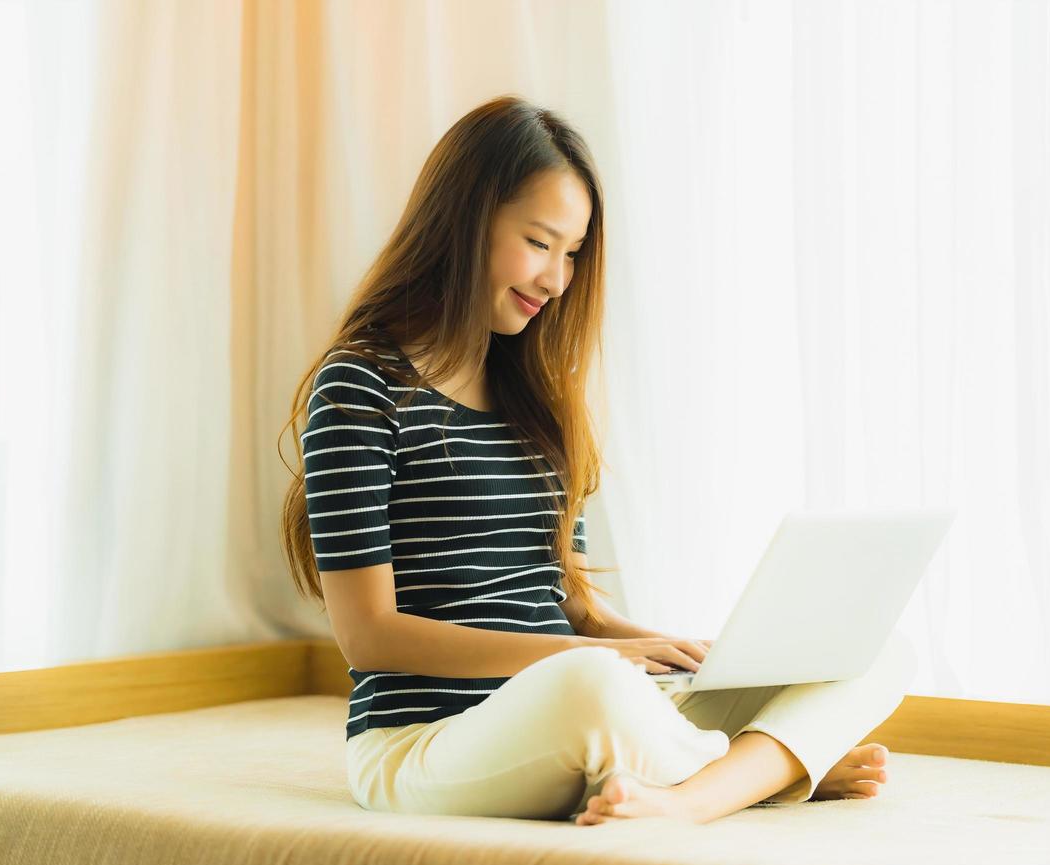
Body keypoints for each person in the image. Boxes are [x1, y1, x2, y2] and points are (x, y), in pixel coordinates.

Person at [278, 94, 915, 825]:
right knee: (591, 685)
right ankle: (755, 773)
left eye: (572, 254)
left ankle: (696, 780)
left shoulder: (537, 395)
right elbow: (369, 636)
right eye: (540, 242)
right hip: (426, 742)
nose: (555, 280)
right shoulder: (361, 384)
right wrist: (583, 663)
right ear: (463, 221)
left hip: (566, 703)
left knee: (876, 649)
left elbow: (571, 604)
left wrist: (654, 646)